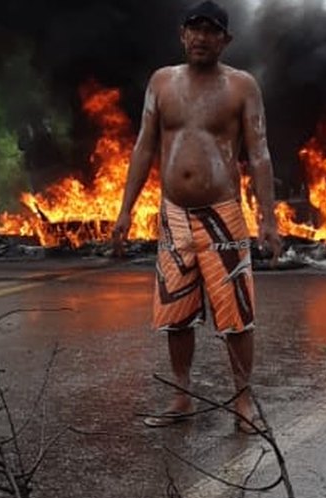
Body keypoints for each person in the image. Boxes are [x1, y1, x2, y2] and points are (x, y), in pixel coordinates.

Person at [112, 0, 283, 432]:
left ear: (225, 40)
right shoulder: (162, 82)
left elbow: (259, 154)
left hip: (223, 216)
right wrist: (125, 210)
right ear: (182, 34)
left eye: (211, 31)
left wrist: (268, 219)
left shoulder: (242, 87)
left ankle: (243, 403)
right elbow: (144, 148)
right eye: (195, 29)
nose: (202, 38)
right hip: (173, 216)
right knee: (176, 312)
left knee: (236, 315)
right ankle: (181, 396)